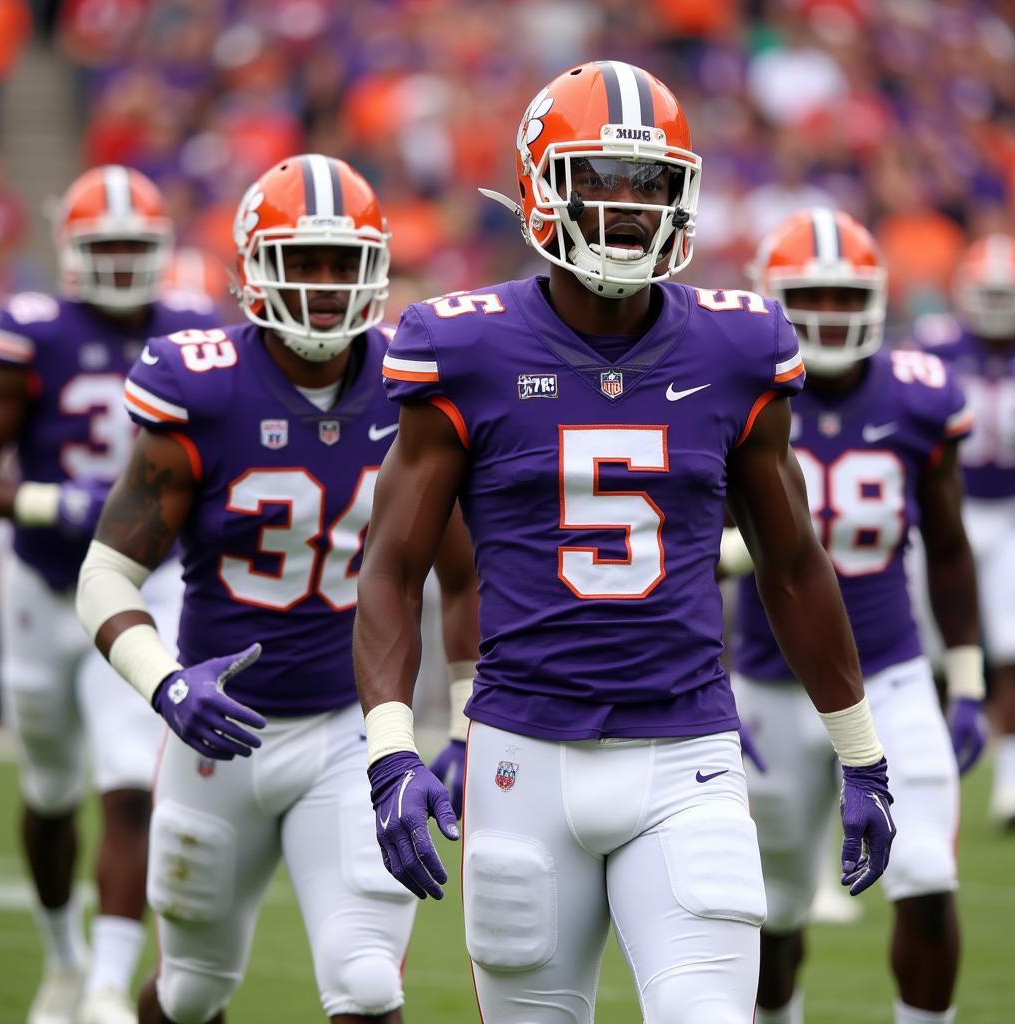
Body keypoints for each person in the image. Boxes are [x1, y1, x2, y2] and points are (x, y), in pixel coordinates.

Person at [353, 62, 897, 1024]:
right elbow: (392, 568)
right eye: (597, 176)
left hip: (687, 750)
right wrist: (394, 750)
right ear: (537, 185)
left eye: (650, 183)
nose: (626, 207)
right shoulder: (463, 346)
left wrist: (861, 753)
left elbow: (792, 562)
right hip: (521, 752)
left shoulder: (739, 346)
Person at [74, 153, 479, 1024]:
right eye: (303, 260)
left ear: (375, 268)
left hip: (350, 729)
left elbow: (465, 571)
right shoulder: (202, 384)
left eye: (343, 263)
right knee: (189, 993)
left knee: (368, 983)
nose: (325, 285)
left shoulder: (411, 382)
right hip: (220, 732)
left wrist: (467, 720)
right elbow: (107, 572)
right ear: (255, 266)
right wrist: (165, 682)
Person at [732, 207, 986, 1024]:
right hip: (768, 686)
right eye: (814, 296)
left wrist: (969, 679)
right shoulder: (735, 394)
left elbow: (948, 548)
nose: (833, 315)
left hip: (892, 676)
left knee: (927, 881)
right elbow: (686, 553)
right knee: (770, 912)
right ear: (770, 298)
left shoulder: (919, 398)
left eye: (848, 297)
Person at [0, 164, 219, 1024]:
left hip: (141, 581)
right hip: (45, 587)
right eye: (107, 246)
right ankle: (62, 961)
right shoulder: (33, 332)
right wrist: (61, 503)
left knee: (130, 781)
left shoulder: (197, 333)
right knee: (50, 790)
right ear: (72, 251)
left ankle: (104, 991)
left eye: (136, 245)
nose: (123, 261)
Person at [911, 233, 1015, 827]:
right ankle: (927, 759)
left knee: (1007, 647)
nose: (997, 304)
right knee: (929, 646)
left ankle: (1008, 779)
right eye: (989, 292)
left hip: (1009, 511)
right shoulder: (937, 347)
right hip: (949, 509)